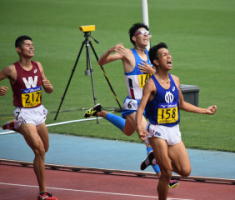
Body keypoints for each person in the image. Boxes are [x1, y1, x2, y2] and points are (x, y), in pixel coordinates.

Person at [84, 23, 179, 188]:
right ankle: (165, 176)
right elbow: (101, 62)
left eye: (148, 33)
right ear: (134, 38)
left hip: (148, 106)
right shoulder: (128, 54)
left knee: (128, 131)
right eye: (142, 33)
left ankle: (100, 112)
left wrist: (153, 72)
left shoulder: (153, 57)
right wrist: (110, 50)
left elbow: (164, 77)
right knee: (150, 137)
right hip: (134, 104)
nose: (146, 35)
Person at [136, 42, 217, 200]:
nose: (169, 56)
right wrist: (140, 128)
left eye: (169, 54)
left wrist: (204, 110)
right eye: (164, 55)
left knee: (185, 171)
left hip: (174, 130)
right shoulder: (151, 84)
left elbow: (181, 104)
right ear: (156, 62)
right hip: (157, 130)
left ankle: (154, 159)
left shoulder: (176, 80)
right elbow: (140, 109)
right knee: (166, 173)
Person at [0, 35, 58, 200]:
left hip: (38, 112)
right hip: (24, 113)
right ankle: (43, 193)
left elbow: (48, 89)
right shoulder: (11, 69)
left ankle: (14, 125)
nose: (31, 47)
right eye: (27, 45)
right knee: (39, 150)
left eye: (32, 45)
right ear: (19, 49)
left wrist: (49, 87)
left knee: (44, 149)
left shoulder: (38, 66)